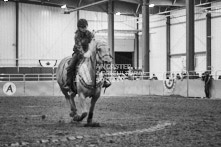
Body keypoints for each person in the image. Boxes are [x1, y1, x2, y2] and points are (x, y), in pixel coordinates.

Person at [64, 19, 110, 93]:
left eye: (85, 26)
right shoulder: (77, 35)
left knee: (101, 62)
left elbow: (92, 42)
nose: (84, 28)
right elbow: (78, 46)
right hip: (78, 53)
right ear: (79, 27)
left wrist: (91, 50)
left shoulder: (90, 34)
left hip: (89, 52)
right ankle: (68, 84)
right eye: (82, 27)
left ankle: (105, 80)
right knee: (70, 66)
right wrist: (84, 54)